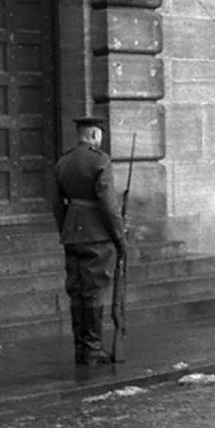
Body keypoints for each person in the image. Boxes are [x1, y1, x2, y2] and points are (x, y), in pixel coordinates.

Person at [52, 116, 128, 365]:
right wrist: (119, 237)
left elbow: (56, 204)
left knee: (77, 291)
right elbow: (108, 204)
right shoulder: (100, 160)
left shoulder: (63, 161)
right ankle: (93, 350)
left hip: (72, 233)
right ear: (95, 135)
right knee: (94, 291)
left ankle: (80, 348)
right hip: (97, 235)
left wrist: (67, 229)